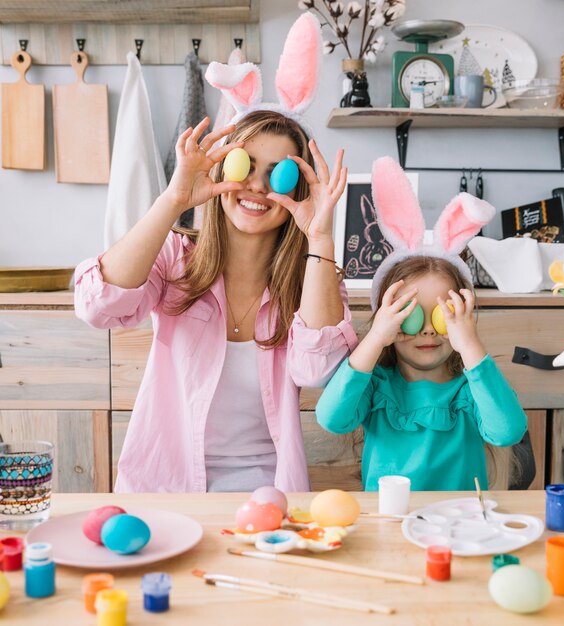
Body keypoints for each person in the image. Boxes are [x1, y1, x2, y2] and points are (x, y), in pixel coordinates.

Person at [74, 14, 358, 493]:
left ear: (299, 187)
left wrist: (322, 239)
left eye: (280, 174)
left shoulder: (313, 276)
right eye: (245, 164)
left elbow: (319, 371)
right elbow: (98, 306)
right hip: (167, 488)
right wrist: (173, 200)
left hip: (271, 493)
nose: (258, 187)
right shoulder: (175, 258)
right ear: (223, 167)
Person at [316, 157, 528, 491]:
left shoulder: (470, 390)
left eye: (443, 316)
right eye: (412, 314)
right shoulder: (378, 387)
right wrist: (374, 339)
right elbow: (331, 418)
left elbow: (508, 430)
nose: (428, 329)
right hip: (390, 527)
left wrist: (471, 347)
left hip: (458, 529)